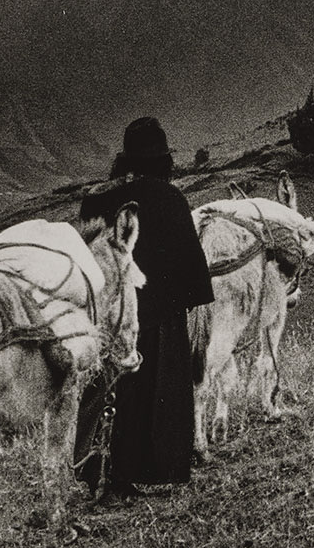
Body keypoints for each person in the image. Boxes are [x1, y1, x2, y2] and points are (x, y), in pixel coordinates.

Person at [75, 117, 214, 499]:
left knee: (105, 389)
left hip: (106, 316)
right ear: (163, 159)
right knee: (154, 393)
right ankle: (147, 467)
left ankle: (95, 468)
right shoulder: (171, 199)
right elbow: (189, 266)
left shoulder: (98, 199)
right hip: (159, 318)